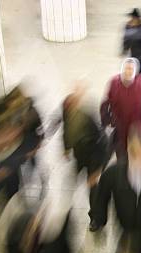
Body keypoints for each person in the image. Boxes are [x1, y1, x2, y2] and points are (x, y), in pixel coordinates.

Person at [60, 82, 107, 231]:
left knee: (93, 188)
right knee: (70, 181)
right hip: (80, 154)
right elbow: (65, 128)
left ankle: (96, 219)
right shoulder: (66, 107)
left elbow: (103, 141)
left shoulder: (88, 116)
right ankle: (63, 211)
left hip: (94, 155)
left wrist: (98, 169)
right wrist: (66, 148)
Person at [101, 58, 141, 160]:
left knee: (135, 149)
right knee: (120, 150)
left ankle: (134, 163)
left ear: (135, 72)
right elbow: (105, 102)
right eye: (126, 68)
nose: (128, 71)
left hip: (136, 125)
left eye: (131, 69)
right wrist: (105, 120)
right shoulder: (113, 82)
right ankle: (121, 166)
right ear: (122, 70)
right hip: (119, 124)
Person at [122, 8, 141, 72]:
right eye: (132, 18)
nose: (132, 20)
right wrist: (124, 49)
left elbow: (136, 36)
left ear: (138, 19)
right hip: (133, 57)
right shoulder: (129, 28)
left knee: (140, 76)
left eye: (134, 18)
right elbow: (126, 41)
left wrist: (129, 28)